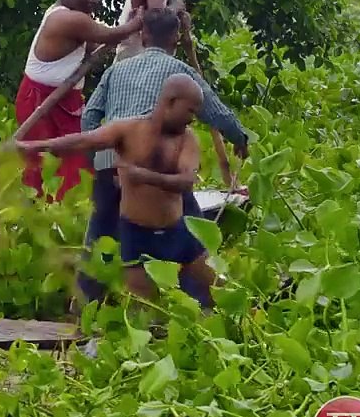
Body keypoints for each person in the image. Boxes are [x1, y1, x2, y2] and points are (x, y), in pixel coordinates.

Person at [77, 8, 249, 303]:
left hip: (113, 167)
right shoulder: (181, 75)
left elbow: (88, 119)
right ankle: (208, 305)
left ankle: (85, 306)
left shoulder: (116, 70)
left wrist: (103, 159)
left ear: (143, 35)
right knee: (192, 234)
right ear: (176, 38)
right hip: (159, 167)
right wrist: (240, 138)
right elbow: (215, 111)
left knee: (99, 237)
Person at [18, 75, 216, 308]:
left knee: (214, 290)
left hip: (177, 232)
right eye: (190, 111)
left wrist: (142, 176)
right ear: (171, 102)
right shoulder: (128, 130)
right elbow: (84, 141)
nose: (192, 119)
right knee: (142, 308)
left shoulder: (186, 140)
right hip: (136, 234)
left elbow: (186, 181)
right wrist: (32, 146)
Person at [16, 0, 145, 200]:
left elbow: (97, 42)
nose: (94, 0)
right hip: (39, 100)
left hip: (63, 100)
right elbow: (109, 35)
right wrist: (137, 22)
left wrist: (124, 30)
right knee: (40, 163)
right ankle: (36, 217)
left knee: (74, 158)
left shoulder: (78, 19)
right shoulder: (67, 19)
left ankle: (67, 215)